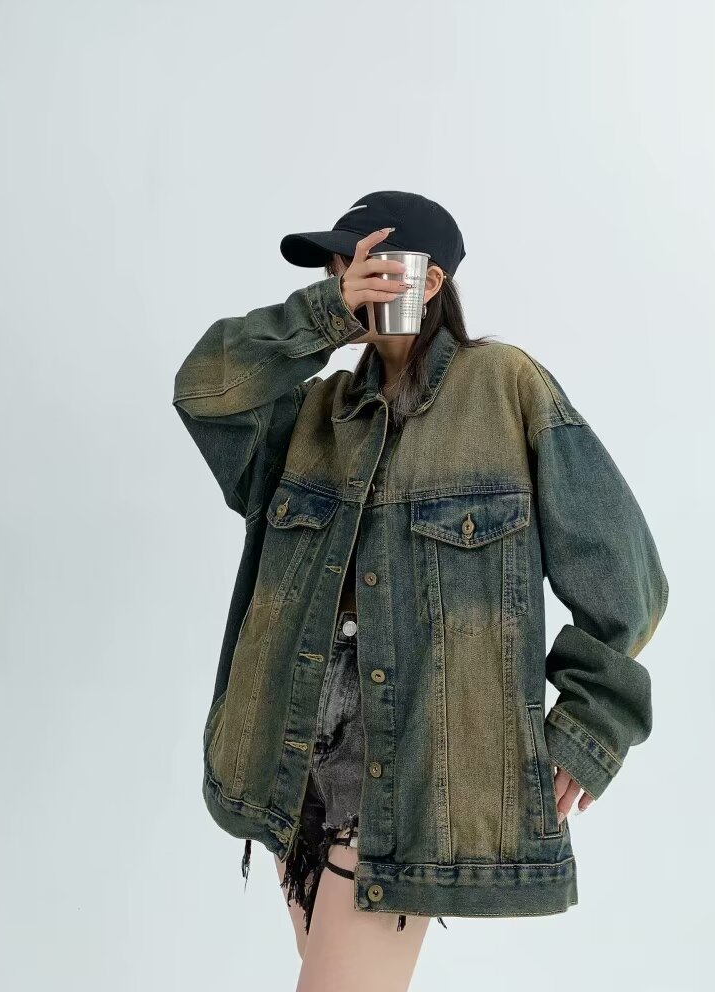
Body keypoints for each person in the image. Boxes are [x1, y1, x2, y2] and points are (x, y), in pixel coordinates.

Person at [172, 191, 669, 992]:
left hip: (407, 774)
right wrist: (321, 319)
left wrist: (590, 724)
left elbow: (626, 574)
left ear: (428, 280)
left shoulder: (504, 387)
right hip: (290, 764)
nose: (344, 278)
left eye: (363, 264)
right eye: (338, 268)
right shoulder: (317, 414)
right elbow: (204, 388)